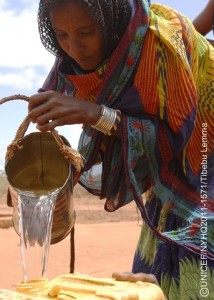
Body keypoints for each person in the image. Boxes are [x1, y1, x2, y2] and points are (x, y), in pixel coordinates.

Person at [28, 0, 214, 299]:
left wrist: (96, 114)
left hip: (205, 157)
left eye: (86, 32)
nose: (74, 47)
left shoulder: (160, 42)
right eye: (61, 35)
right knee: (147, 285)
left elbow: (173, 136)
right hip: (167, 189)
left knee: (199, 274)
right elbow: (51, 108)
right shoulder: (73, 60)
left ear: (110, 24)